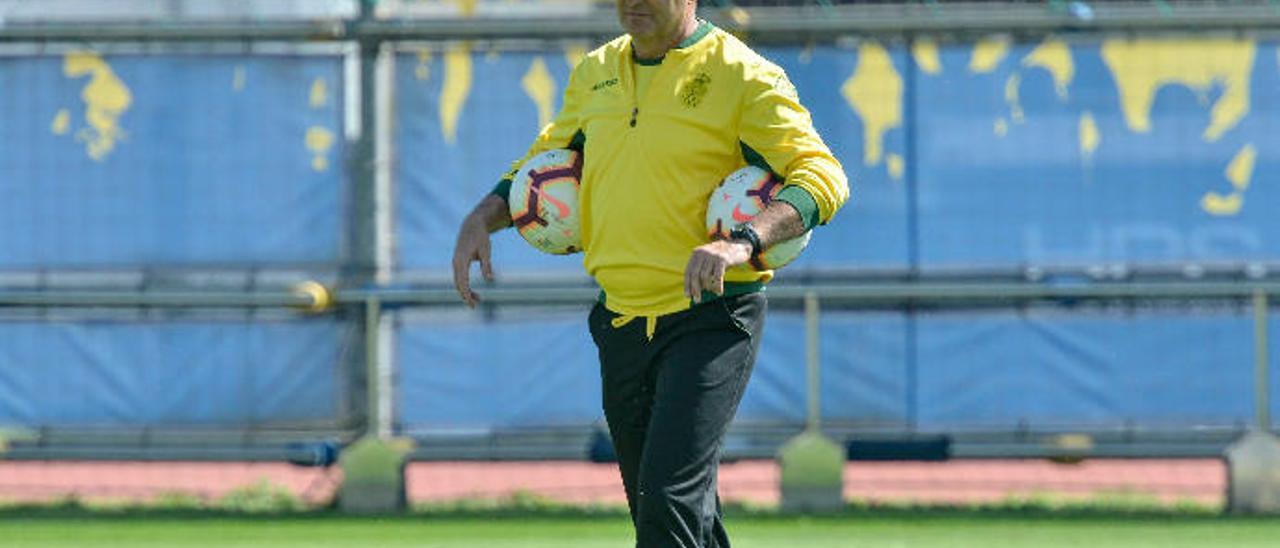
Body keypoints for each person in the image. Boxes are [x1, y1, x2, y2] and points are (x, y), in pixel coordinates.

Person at [451, 0, 848, 545]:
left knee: (668, 502)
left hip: (710, 317)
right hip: (619, 320)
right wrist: (481, 218)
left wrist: (742, 241)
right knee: (671, 512)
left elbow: (823, 174)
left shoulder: (744, 74)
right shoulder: (595, 72)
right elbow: (545, 161)